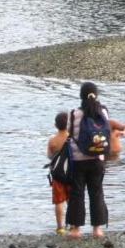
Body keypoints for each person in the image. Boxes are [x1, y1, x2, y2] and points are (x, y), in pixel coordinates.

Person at [66, 81, 114, 239]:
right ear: (96, 95)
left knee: (77, 193)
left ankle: (76, 230)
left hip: (78, 160)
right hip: (97, 159)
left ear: (80, 96)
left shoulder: (74, 113)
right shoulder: (104, 112)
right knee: (97, 192)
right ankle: (97, 229)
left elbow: (69, 132)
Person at [47, 112, 70, 235]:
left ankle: (60, 227)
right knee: (72, 199)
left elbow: (50, 157)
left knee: (59, 201)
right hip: (72, 173)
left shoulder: (52, 141)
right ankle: (73, 225)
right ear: (69, 125)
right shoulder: (73, 138)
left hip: (58, 174)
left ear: (55, 125)